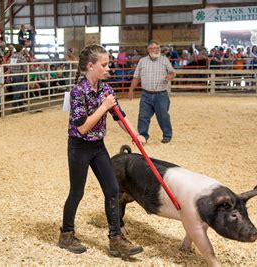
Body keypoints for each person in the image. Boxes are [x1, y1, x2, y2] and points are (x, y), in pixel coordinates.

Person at [59, 44, 146, 258]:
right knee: (77, 192)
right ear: (91, 66)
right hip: (79, 147)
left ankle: (116, 238)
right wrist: (104, 106)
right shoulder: (78, 92)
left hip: (98, 146)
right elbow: (82, 126)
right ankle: (66, 234)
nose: (108, 68)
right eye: (104, 64)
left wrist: (135, 135)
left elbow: (120, 116)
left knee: (113, 190)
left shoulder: (106, 90)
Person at [128, 40, 175, 144]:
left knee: (163, 116)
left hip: (161, 94)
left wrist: (170, 76)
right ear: (149, 49)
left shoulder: (165, 60)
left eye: (158, 48)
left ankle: (167, 135)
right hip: (146, 94)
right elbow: (136, 77)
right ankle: (143, 136)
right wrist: (131, 90)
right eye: (154, 48)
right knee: (143, 116)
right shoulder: (142, 61)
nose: (157, 50)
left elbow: (172, 72)